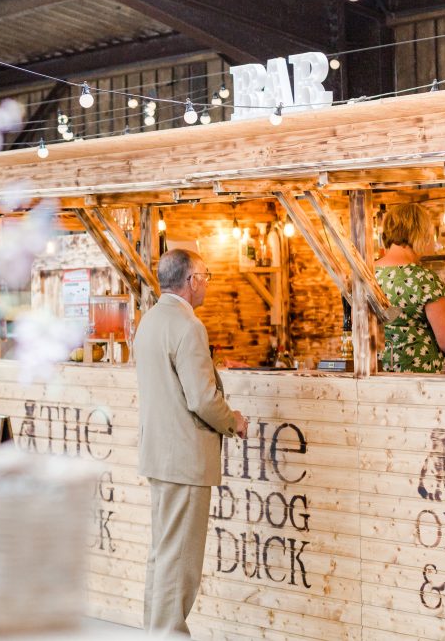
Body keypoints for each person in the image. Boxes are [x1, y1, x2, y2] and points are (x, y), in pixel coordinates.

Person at [134, 248, 248, 638]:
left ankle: (156, 631)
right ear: (191, 280)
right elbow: (201, 398)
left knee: (163, 554)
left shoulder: (148, 321)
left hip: (159, 455)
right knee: (181, 560)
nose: (206, 284)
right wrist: (232, 420)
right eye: (205, 276)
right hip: (185, 457)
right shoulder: (188, 326)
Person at [375, 203, 445, 372]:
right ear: (419, 233)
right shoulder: (425, 279)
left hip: (378, 375)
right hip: (420, 383)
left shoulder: (368, 274)